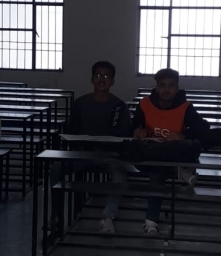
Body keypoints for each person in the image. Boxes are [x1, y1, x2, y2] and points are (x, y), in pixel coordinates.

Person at [131, 68, 210, 235]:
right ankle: (181, 170)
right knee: (158, 168)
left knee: (160, 169)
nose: (166, 90)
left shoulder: (185, 107)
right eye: (162, 85)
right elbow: (133, 125)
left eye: (171, 85)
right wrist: (137, 131)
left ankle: (151, 221)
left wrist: (183, 135)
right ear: (156, 87)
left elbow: (203, 128)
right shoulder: (145, 104)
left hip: (170, 154)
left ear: (177, 88)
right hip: (151, 154)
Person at [58, 61, 131, 234]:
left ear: (112, 81)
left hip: (109, 155)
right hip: (82, 153)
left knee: (120, 175)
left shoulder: (119, 106)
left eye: (106, 76)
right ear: (92, 79)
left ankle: (108, 217)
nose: (101, 79)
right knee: (56, 169)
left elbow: (123, 135)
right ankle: (57, 216)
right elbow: (71, 130)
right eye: (98, 75)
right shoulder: (80, 103)